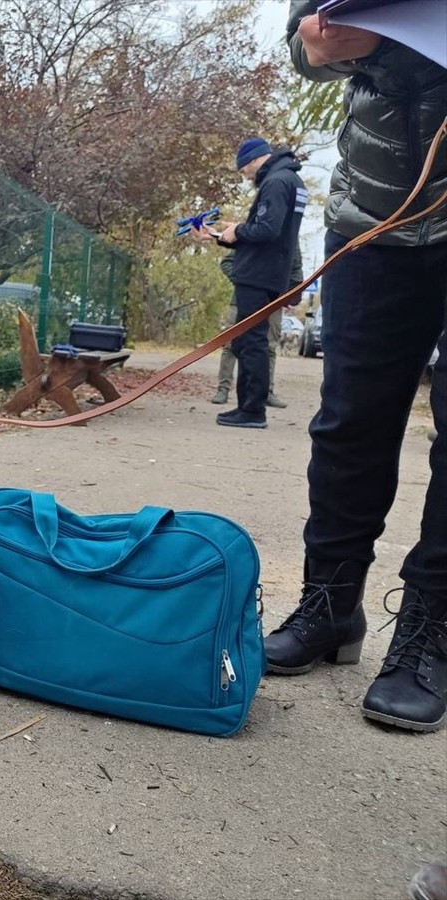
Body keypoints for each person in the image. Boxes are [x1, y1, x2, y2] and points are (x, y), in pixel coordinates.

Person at [264, 4, 446, 733]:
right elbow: (304, 40)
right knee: (347, 421)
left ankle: (430, 630)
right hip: (372, 218)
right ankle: (331, 605)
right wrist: (320, 42)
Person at [195, 138, 307, 428]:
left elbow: (266, 230)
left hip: (257, 277)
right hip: (270, 273)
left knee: (251, 341)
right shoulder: (291, 180)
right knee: (249, 340)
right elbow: (272, 236)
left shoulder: (276, 182)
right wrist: (220, 236)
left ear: (255, 160)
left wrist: (238, 229)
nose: (246, 176)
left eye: (244, 170)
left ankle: (252, 410)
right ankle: (248, 406)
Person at [210, 246, 304, 408]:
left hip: (273, 302)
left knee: (269, 346)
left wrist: (289, 295)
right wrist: (245, 282)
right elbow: (227, 262)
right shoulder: (255, 233)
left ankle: (266, 391)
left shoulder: (291, 238)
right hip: (243, 299)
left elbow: (296, 271)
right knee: (231, 343)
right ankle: (223, 388)